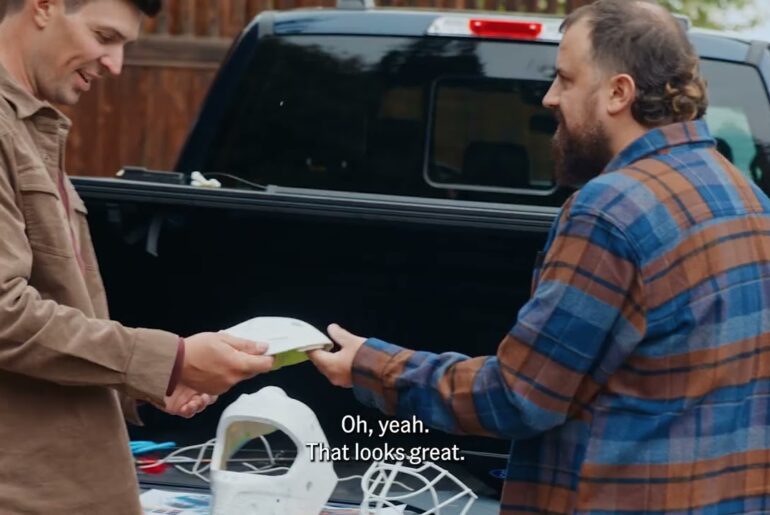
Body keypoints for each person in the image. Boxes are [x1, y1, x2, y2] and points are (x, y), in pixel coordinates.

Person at [310, 0, 770, 512]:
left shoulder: (610, 211)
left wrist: (371, 365)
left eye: (565, 79)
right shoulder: (746, 196)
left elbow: (518, 396)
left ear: (619, 92)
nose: (549, 98)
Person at [0, 0, 274, 512]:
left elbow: (61, 314)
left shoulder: (31, 126)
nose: (115, 64)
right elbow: (4, 314)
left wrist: (141, 385)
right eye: (104, 36)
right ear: (43, 6)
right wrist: (168, 361)